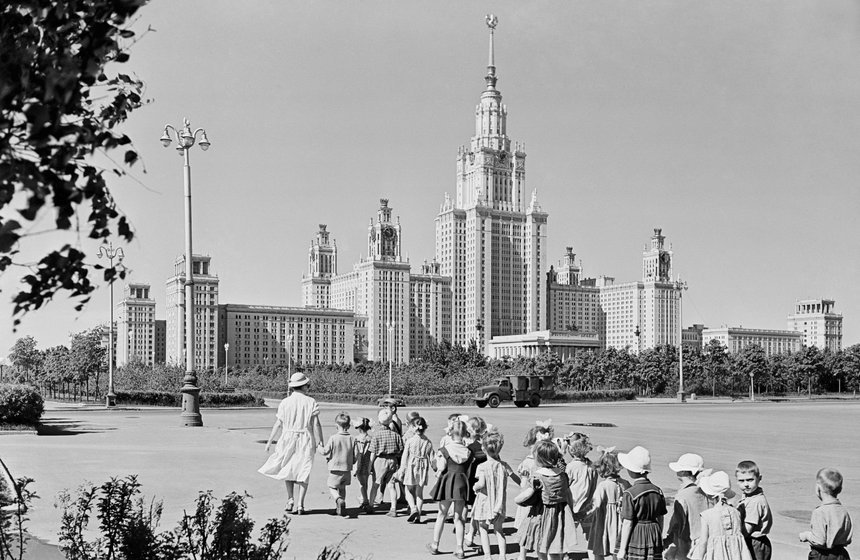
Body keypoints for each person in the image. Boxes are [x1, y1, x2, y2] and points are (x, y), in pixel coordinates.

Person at [258, 371, 323, 515]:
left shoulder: (285, 402)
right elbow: (316, 424)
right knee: (304, 471)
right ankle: (300, 504)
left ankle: (290, 499)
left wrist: (269, 441)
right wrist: (320, 442)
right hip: (305, 438)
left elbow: (278, 423)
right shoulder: (311, 401)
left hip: (287, 437)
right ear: (304, 386)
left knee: (288, 468)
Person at [520, 440, 577, 560]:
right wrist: (571, 511)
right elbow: (568, 495)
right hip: (560, 513)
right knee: (555, 545)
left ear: (539, 459)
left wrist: (519, 499)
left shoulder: (538, 476)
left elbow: (527, 493)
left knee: (541, 545)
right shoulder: (563, 475)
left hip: (542, 514)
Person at [472, 430, 520, 560]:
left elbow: (481, 483)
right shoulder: (504, 465)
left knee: (483, 528)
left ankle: (488, 556)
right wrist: (523, 483)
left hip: (485, 502)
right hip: (499, 503)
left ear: (483, 448)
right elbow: (515, 477)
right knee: (499, 530)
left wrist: (474, 487)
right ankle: (502, 555)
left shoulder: (482, 466)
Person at [428, 419, 473, 558]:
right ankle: (459, 548)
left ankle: (435, 544)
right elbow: (469, 472)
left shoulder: (445, 450)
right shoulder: (468, 452)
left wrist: (435, 467)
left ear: (450, 432)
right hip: (461, 483)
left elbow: (439, 467)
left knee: (441, 514)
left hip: (447, 482)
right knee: (459, 517)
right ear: (465, 433)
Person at [616, 446, 666, 560]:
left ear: (631, 470)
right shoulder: (658, 491)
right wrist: (659, 536)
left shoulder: (630, 493)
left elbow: (628, 522)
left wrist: (622, 550)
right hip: (653, 532)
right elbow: (661, 518)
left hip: (637, 532)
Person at [695, 471, 752, 560]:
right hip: (735, 555)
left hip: (716, 555)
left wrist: (699, 557)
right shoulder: (736, 512)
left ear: (710, 495)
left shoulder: (707, 515)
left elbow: (703, 542)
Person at [664, 453, 711, 560]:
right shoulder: (705, 490)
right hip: (704, 538)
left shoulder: (682, 495)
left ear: (683, 472)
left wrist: (668, 539)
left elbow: (677, 522)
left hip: (686, 540)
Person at [799, 468, 853, 560]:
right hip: (841, 554)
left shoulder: (820, 512)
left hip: (822, 555)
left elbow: (819, 541)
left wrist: (807, 535)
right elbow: (847, 537)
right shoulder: (843, 511)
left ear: (818, 489)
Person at [587, 448, 631, 560]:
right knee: (616, 550)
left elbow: (595, 504)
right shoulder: (625, 483)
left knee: (599, 548)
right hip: (620, 521)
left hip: (604, 521)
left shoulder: (603, 485)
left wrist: (585, 514)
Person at [318, 411, 355, 517]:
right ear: (348, 426)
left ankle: (338, 500)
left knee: (331, 486)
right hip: (347, 468)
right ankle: (341, 506)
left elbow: (325, 451)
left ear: (336, 425)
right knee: (342, 488)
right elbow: (356, 454)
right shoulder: (352, 438)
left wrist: (319, 447)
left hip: (335, 467)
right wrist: (353, 461)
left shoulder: (334, 438)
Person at [566, 432, 598, 555]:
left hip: (572, 506)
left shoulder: (571, 467)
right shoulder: (591, 466)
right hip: (588, 506)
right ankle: (593, 556)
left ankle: (564, 556)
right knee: (589, 536)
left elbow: (565, 485)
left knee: (567, 534)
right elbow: (594, 485)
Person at [367, 408, 404, 515]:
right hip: (393, 460)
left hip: (380, 461)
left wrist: (370, 465)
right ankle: (393, 508)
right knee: (391, 485)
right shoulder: (396, 435)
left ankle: (370, 505)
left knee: (376, 484)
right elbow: (401, 450)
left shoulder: (377, 435)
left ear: (379, 421)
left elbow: (373, 452)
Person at [400, 415, 435, 524]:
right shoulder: (428, 442)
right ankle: (418, 515)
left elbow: (405, 457)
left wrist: (402, 469)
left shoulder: (410, 441)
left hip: (412, 466)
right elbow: (432, 458)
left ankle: (413, 508)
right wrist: (436, 469)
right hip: (423, 467)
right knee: (419, 493)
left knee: (408, 490)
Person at [735, 460, 772, 560]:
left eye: (750, 480)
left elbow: (748, 528)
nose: (746, 484)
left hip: (754, 542)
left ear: (759, 478)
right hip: (753, 541)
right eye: (741, 481)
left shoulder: (755, 502)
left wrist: (736, 540)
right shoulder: (749, 496)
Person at [465, 416, 489, 549]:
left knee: (476, 510)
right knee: (477, 509)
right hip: (485, 481)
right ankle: (471, 533)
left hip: (473, 481)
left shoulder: (471, 447)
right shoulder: (486, 445)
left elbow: (466, 465)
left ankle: (474, 535)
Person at [352, 416, 373, 512]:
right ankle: (364, 498)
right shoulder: (371, 439)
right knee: (365, 483)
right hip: (368, 462)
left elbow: (356, 453)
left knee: (361, 483)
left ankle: (365, 501)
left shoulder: (356, 439)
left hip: (359, 463)